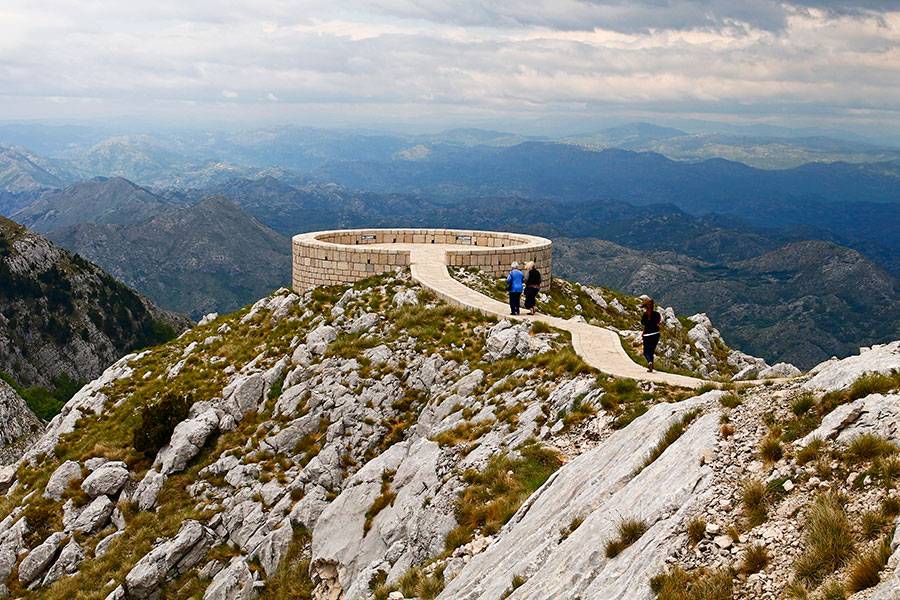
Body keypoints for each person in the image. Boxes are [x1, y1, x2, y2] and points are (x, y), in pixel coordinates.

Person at [639, 294, 662, 372]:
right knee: (651, 351)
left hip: (647, 335)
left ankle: (649, 362)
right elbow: (658, 322)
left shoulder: (645, 315)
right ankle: (651, 366)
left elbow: (643, 323)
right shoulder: (657, 314)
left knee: (646, 352)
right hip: (656, 334)